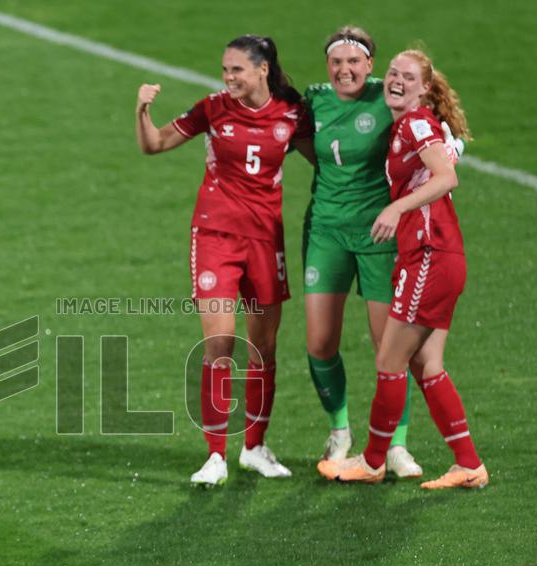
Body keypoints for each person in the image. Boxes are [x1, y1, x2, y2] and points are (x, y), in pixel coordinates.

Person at [135, 35, 313, 486]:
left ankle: (254, 447)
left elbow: (328, 165)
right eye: (225, 70)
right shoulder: (213, 108)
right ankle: (215, 455)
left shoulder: (292, 114)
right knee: (220, 345)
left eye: (237, 69)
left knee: (264, 348)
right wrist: (142, 112)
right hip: (215, 236)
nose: (229, 78)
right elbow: (154, 144)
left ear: (263, 70)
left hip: (265, 240)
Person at [317, 50, 488, 489]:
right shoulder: (413, 126)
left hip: (430, 255)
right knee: (427, 366)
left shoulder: (414, 124)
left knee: (390, 359)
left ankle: (373, 461)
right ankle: (468, 464)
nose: (395, 80)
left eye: (407, 76)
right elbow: (441, 162)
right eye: (392, 73)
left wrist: (396, 207)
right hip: (442, 257)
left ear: (424, 88)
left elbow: (446, 177)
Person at [301, 26, 423, 478]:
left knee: (389, 346)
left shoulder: (387, 98)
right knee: (319, 342)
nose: (344, 69)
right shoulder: (314, 101)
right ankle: (340, 432)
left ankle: (397, 445)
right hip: (327, 232)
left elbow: (435, 126)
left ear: (370, 65)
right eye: (336, 62)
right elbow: (291, 133)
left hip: (379, 236)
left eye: (354, 62)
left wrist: (452, 148)